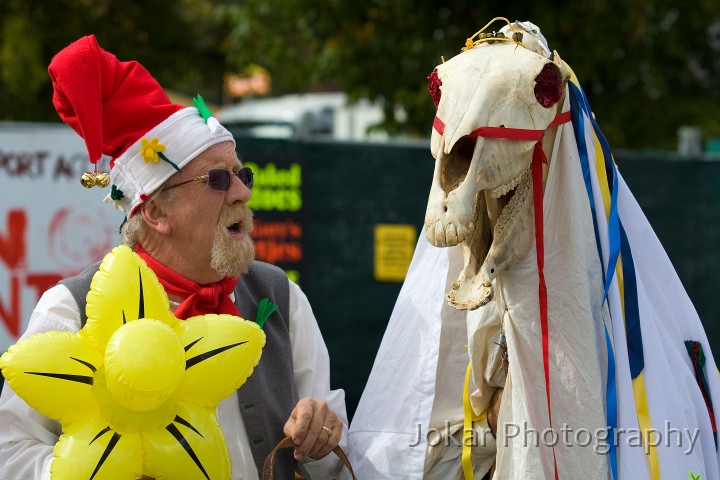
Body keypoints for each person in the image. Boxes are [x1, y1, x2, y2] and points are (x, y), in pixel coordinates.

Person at [0, 35, 347, 480]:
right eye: (219, 179)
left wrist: (322, 438)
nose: (243, 192)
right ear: (157, 211)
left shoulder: (281, 297)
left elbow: (331, 462)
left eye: (243, 174)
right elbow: (9, 454)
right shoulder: (73, 307)